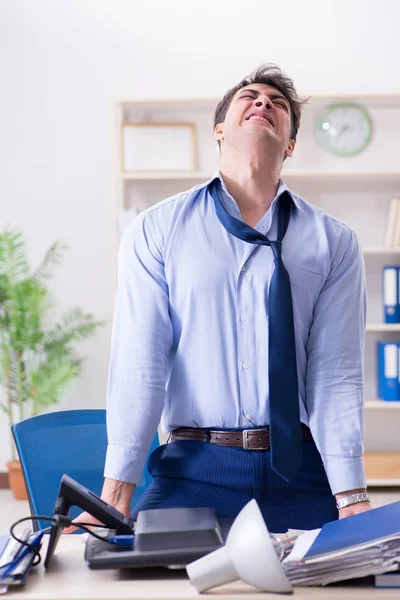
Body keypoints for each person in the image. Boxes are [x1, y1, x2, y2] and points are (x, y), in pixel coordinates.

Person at [67, 63, 371, 535]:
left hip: (300, 471)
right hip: (193, 471)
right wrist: (114, 498)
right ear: (220, 130)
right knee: (147, 580)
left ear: (289, 144)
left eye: (278, 104)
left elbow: (335, 374)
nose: (263, 103)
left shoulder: (334, 242)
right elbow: (140, 366)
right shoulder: (156, 231)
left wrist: (351, 497)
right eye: (249, 97)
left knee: (345, 578)